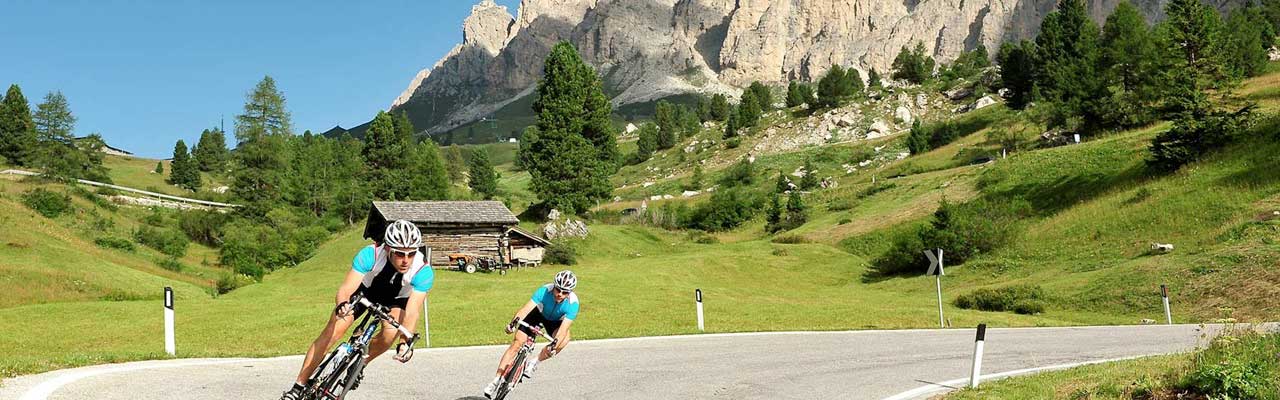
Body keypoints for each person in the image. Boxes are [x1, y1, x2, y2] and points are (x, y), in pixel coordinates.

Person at [280, 220, 434, 400]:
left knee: (390, 333)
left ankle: (361, 364)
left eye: (411, 254)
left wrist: (404, 341)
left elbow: (413, 311)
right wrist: (342, 304)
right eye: (400, 254)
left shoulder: (423, 271)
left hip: (397, 300)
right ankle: (298, 387)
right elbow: (346, 289)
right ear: (387, 249)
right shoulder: (370, 254)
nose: (406, 260)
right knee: (334, 330)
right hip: (365, 292)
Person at [483, 270, 580, 398]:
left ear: (570, 292)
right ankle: (495, 381)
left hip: (556, 322)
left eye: (565, 292)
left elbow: (563, 330)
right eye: (558, 290)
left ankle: (535, 362)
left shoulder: (573, 304)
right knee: (517, 343)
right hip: (537, 314)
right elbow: (525, 310)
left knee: (565, 339)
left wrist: (553, 346)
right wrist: (512, 324)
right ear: (554, 286)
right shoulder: (544, 290)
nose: (560, 294)